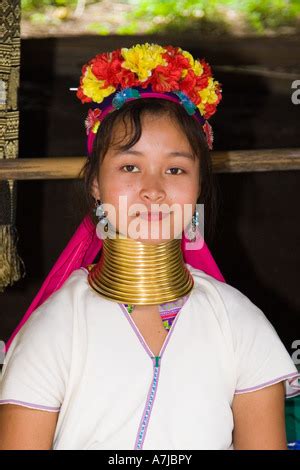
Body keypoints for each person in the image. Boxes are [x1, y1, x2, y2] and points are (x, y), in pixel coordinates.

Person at [0, 43, 299, 450]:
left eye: (175, 169)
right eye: (129, 167)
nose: (153, 190)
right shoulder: (57, 330)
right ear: (95, 185)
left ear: (198, 187)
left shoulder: (240, 325)